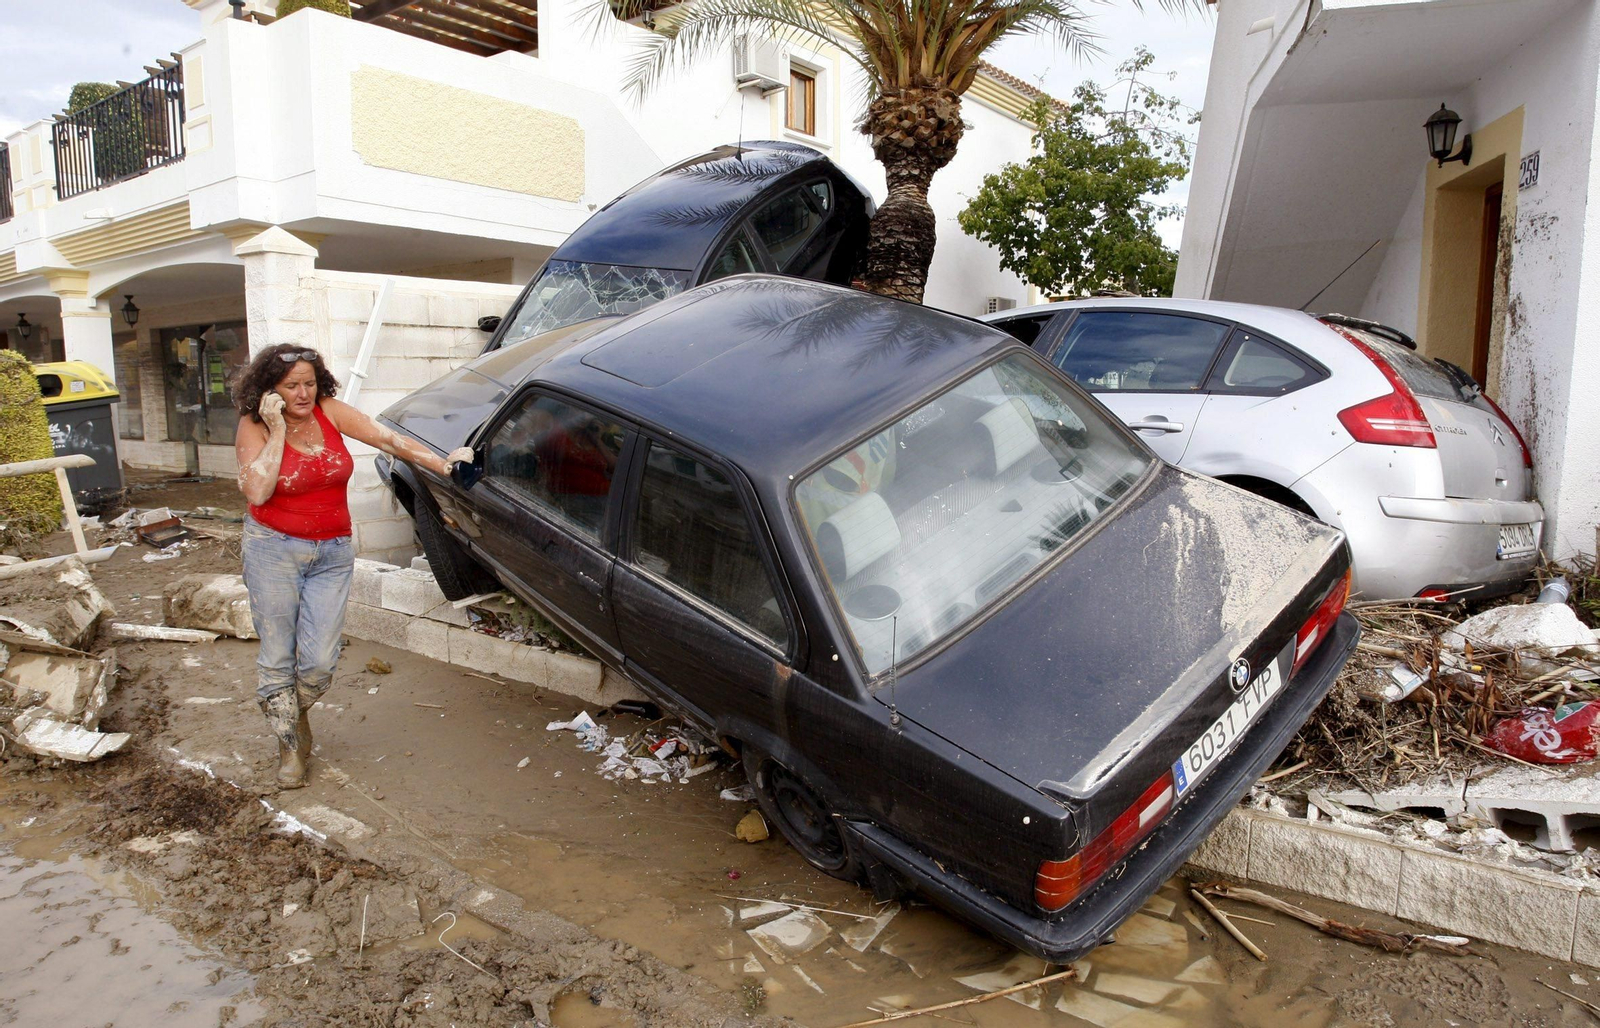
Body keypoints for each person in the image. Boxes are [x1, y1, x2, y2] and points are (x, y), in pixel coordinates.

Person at [234, 344, 471, 789]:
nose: (303, 393)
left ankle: (293, 712)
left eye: (309, 382)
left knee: (320, 662)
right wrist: (277, 429)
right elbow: (259, 491)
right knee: (278, 654)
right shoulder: (253, 427)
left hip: (332, 553)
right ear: (269, 390)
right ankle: (290, 746)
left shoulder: (330, 411)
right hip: (273, 550)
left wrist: (442, 462)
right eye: (291, 386)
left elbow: (388, 439)